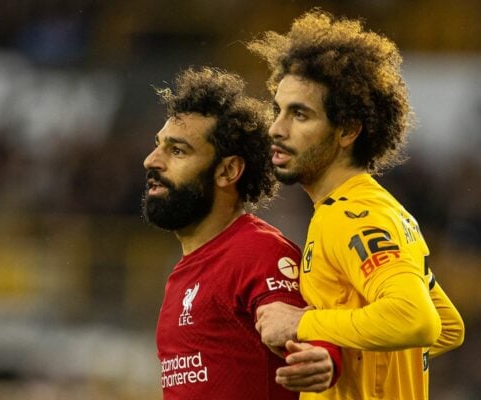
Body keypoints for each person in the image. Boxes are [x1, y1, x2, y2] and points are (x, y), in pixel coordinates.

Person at [248, 10, 465, 400]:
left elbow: (416, 320)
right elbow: (447, 326)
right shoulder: (371, 207)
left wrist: (303, 322)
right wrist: (340, 353)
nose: (276, 128)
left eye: (299, 114)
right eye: (277, 110)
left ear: (347, 130)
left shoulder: (353, 217)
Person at [142, 66, 341, 400]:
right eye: (159, 146)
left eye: (177, 151)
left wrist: (326, 358)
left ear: (228, 170)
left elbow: (307, 331)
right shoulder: (183, 274)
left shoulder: (259, 253)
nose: (152, 161)